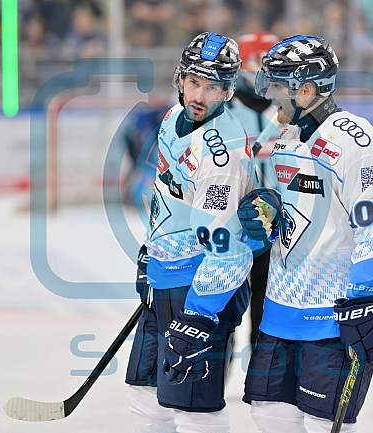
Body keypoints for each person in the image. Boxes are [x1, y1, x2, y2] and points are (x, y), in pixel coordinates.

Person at [237, 35, 373, 432]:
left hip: (333, 314)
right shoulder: (286, 138)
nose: (269, 94)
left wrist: (364, 296)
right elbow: (292, 217)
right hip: (280, 310)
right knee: (268, 416)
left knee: (321, 423)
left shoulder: (353, 139)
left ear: (307, 90)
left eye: (277, 85)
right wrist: (265, 214)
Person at [124, 32, 257, 433]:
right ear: (180, 79)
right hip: (165, 278)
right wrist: (151, 253)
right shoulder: (170, 121)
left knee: (195, 409)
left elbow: (225, 246)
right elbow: (167, 197)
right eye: (195, 82)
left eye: (213, 86)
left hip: (201, 291)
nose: (200, 95)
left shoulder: (222, 152)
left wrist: (200, 314)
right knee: (145, 395)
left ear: (228, 90)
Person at [228, 31, 281, 349]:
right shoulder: (221, 113)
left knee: (267, 308)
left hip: (277, 232)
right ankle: (213, 375)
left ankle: (264, 381)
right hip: (231, 229)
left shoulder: (291, 113)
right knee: (222, 308)